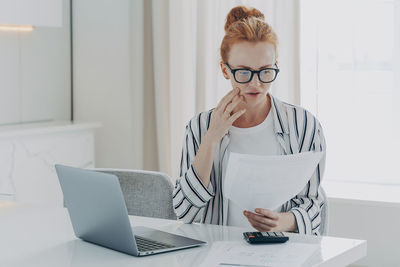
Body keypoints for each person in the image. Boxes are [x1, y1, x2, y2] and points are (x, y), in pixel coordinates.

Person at [172, 6, 326, 235]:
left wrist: (282, 222)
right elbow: (184, 212)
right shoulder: (199, 127)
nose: (256, 84)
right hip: (215, 253)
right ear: (225, 70)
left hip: (279, 253)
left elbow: (314, 206)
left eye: (265, 71)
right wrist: (212, 137)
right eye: (243, 72)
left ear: (276, 65)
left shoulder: (304, 126)